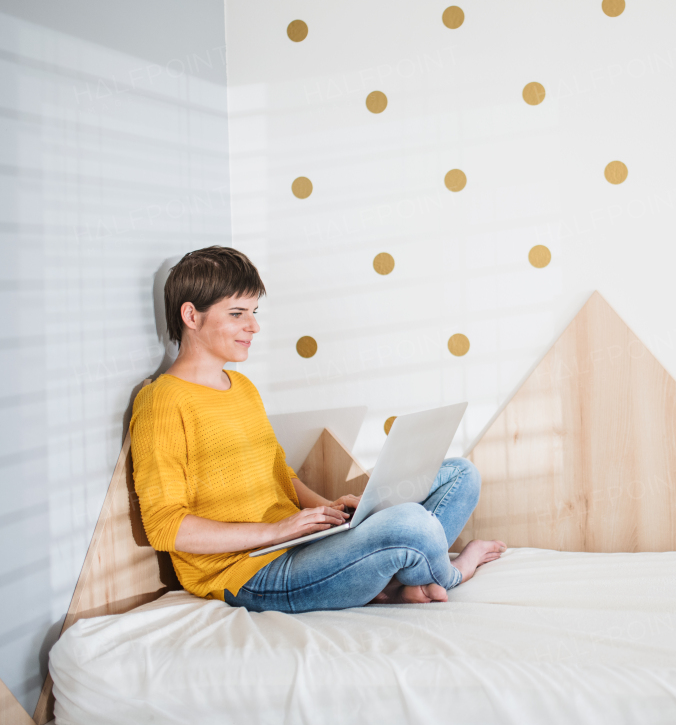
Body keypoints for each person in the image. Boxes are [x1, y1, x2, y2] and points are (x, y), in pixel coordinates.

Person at [130, 245, 505, 612]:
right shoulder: (161, 401)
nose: (254, 326)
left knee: (459, 474)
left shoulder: (242, 388)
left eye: (254, 312)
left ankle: (397, 581)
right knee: (411, 524)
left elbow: (279, 473)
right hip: (250, 573)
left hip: (301, 544)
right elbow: (166, 528)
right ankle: (451, 572)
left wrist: (329, 511)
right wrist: (279, 532)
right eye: (237, 313)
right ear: (191, 316)